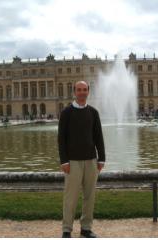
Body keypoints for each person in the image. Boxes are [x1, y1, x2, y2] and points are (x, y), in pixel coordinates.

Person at [58, 81, 105, 238]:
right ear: (74, 92)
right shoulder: (66, 112)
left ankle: (86, 227)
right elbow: (61, 139)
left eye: (84, 90)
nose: (82, 92)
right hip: (72, 161)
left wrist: (102, 158)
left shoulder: (93, 112)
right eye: (79, 90)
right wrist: (64, 160)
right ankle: (66, 229)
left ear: (88, 92)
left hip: (91, 160)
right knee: (70, 197)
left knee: (89, 196)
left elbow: (98, 136)